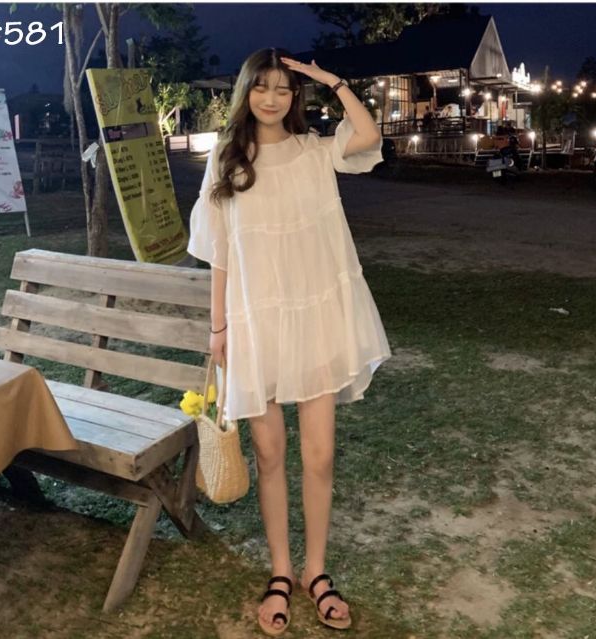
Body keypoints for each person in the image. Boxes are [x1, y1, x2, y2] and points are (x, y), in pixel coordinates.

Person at [187, 47, 391, 636]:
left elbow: (367, 135)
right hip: (256, 322)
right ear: (245, 92)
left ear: (295, 95)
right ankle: (281, 571)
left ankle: (315, 571)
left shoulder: (312, 151)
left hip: (316, 321)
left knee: (320, 455)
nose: (272, 98)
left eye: (283, 88)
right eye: (262, 87)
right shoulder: (227, 157)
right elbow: (220, 251)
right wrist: (218, 328)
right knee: (270, 454)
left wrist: (331, 80)